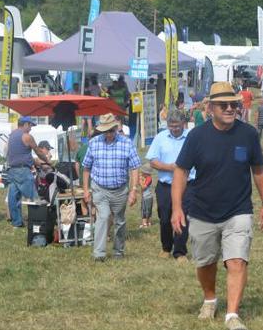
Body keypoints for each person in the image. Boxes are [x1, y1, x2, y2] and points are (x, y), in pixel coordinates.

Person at [171, 82, 263, 330]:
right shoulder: (197, 137)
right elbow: (181, 171)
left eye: (234, 104)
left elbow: (259, 169)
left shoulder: (248, 134)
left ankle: (232, 314)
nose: (230, 108)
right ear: (210, 108)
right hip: (203, 210)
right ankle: (209, 299)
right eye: (223, 104)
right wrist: (176, 208)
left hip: (238, 210)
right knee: (205, 263)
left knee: (237, 261)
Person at [82, 113, 140, 261]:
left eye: (111, 131)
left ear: (116, 128)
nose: (108, 134)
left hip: (120, 190)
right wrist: (86, 190)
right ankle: (99, 253)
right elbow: (86, 168)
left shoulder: (127, 143)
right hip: (100, 188)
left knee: (119, 220)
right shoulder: (94, 143)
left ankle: (118, 251)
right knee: (104, 216)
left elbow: (134, 168)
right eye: (105, 131)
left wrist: (134, 190)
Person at [146, 110, 195, 262]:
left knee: (183, 216)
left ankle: (180, 252)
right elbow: (152, 161)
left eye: (177, 126)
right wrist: (171, 167)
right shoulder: (160, 138)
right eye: (171, 126)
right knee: (165, 217)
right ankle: (166, 247)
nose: (174, 129)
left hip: (187, 185)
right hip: (166, 185)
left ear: (183, 124)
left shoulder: (191, 137)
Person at [6, 117, 50, 228]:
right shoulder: (27, 136)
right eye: (30, 125)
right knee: (34, 198)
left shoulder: (12, 135)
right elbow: (38, 151)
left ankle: (17, 222)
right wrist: (47, 161)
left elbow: (21, 155)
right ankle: (39, 222)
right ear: (25, 124)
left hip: (12, 169)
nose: (31, 128)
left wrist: (34, 162)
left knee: (14, 198)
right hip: (22, 171)